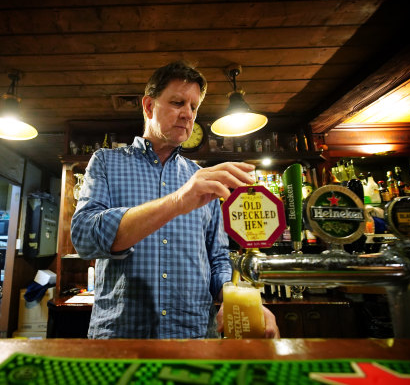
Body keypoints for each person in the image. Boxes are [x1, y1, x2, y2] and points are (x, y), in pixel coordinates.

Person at [71, 61, 279, 339]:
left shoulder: (201, 178)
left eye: (194, 107)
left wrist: (238, 298)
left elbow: (217, 258)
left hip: (194, 336)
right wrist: (178, 200)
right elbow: (85, 237)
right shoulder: (106, 162)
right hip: (122, 337)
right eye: (178, 102)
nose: (188, 115)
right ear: (148, 106)